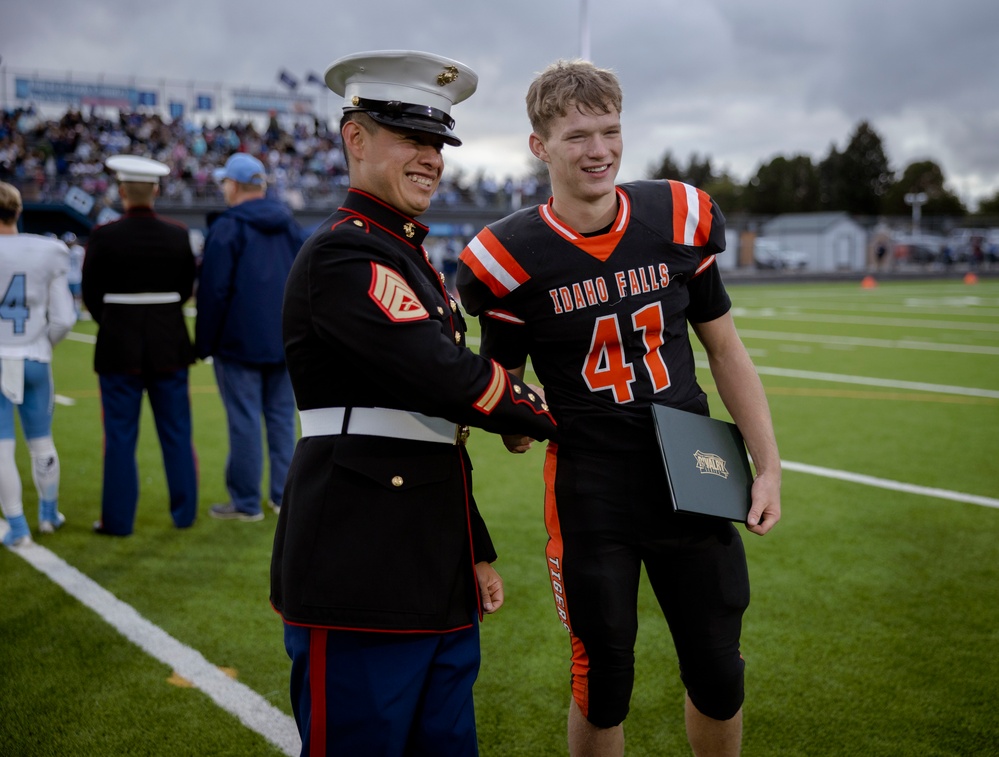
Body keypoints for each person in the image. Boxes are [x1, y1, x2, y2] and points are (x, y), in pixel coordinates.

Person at [456, 59, 782, 757]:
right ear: (538, 145)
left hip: (694, 464)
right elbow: (507, 399)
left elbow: (725, 350)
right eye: (576, 135)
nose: (598, 149)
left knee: (719, 669)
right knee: (602, 681)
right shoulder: (509, 257)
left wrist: (768, 463)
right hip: (591, 487)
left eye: (608, 130)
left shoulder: (676, 218)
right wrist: (517, 422)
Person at [270, 50, 558, 756]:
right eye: (410, 138)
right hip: (360, 566)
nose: (430, 158)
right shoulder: (346, 255)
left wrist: (476, 550)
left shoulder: (405, 255)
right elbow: (441, 375)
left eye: (436, 143)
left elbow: (432, 435)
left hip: (433, 563)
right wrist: (543, 412)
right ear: (355, 138)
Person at [82, 155, 199, 537]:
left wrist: (118, 323)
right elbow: (184, 290)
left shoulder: (103, 236)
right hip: (169, 345)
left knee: (119, 438)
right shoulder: (177, 233)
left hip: (119, 348)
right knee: (177, 434)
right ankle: (185, 514)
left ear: (120, 191)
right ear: (156, 190)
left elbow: (91, 296)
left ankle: (117, 521)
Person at [195, 152, 306, 521]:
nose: (223, 187)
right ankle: (281, 498)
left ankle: (245, 503)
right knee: (281, 421)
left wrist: (204, 342)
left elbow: (213, 291)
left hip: (238, 344)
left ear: (236, 185)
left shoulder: (227, 227)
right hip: (283, 342)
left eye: (226, 181)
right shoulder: (289, 225)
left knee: (243, 421)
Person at [0, 181, 76, 547]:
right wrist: (41, 345)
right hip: (34, 358)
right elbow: (64, 318)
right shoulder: (47, 250)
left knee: (1, 448)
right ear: (18, 211)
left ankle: (17, 526)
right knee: (41, 441)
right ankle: (48, 514)